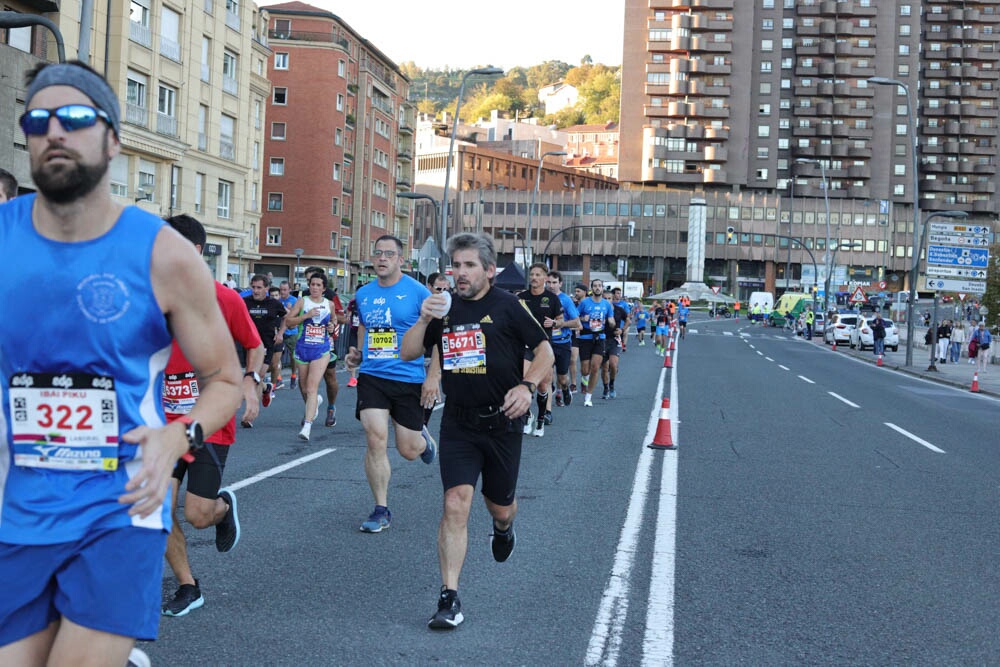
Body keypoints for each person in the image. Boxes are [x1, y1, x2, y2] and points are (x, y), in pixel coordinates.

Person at [0, 61, 242, 665]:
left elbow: (226, 378)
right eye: (38, 120)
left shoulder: (164, 254)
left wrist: (176, 436)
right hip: (14, 510)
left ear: (113, 138)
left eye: (76, 117)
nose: (54, 131)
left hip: (120, 506)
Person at [398, 232, 553, 630]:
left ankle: (504, 529)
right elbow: (408, 351)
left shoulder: (509, 306)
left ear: (488, 270)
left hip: (503, 421)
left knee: (499, 507)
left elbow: (545, 351)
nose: (460, 273)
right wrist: (425, 318)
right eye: (456, 265)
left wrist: (527, 386)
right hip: (459, 423)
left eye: (469, 265)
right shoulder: (443, 308)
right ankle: (449, 597)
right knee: (455, 503)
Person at [160, 214, 264, 618]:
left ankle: (221, 508)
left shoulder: (224, 298)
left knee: (197, 515)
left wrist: (251, 381)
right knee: (159, 510)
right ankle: (188, 585)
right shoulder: (148, 299)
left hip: (209, 423)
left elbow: (253, 345)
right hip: (163, 421)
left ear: (197, 252)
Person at [343, 235, 438, 533]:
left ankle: (423, 440)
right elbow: (364, 329)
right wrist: (357, 354)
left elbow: (437, 340)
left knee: (408, 450)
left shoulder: (419, 292)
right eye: (378, 253)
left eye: (389, 254)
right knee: (375, 437)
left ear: (401, 260)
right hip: (373, 376)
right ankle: (380, 509)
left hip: (409, 378)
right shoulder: (363, 294)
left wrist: (433, 377)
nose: (382, 258)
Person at [284, 273, 337, 440]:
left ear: (323, 288)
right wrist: (306, 316)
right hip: (302, 348)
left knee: (312, 387)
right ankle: (316, 403)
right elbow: (289, 322)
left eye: (318, 285)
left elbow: (334, 322)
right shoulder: (302, 302)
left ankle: (307, 426)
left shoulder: (329, 304)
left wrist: (331, 326)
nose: (314, 287)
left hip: (321, 349)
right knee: (305, 387)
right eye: (312, 284)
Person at [518, 263, 563, 435]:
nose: (534, 278)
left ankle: (541, 419)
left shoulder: (552, 299)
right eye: (532, 274)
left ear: (545, 278)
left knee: (543, 385)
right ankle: (528, 415)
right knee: (525, 380)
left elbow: (560, 319)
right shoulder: (521, 298)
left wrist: (555, 323)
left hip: (544, 347)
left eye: (538, 275)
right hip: (526, 346)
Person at [304, 267, 346, 428]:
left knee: (330, 377)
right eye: (309, 282)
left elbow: (342, 317)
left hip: (326, 343)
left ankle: (331, 407)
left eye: (315, 283)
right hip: (306, 343)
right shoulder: (303, 296)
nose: (312, 287)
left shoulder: (331, 297)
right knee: (305, 380)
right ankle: (310, 409)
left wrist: (331, 323)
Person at [242, 274, 287, 425]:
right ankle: (267, 388)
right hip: (248, 344)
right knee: (252, 377)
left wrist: (280, 333)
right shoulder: (244, 302)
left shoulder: (274, 304)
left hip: (266, 344)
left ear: (266, 289)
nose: (255, 291)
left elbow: (287, 318)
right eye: (253, 287)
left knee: (256, 376)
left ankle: (250, 416)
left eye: (259, 288)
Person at [576, 278, 616, 407]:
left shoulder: (606, 304)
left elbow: (612, 320)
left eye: (600, 285)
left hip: (600, 337)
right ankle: (584, 378)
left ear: (602, 288)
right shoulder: (584, 303)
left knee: (595, 367)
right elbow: (575, 317)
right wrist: (583, 318)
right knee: (585, 369)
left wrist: (610, 322)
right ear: (591, 289)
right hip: (585, 338)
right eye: (595, 286)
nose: (597, 288)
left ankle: (588, 396)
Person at [545, 270, 581, 408]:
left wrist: (559, 323)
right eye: (548, 282)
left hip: (563, 343)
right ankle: (546, 412)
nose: (551, 285)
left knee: (563, 378)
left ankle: (565, 389)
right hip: (546, 343)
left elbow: (577, 323)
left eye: (554, 283)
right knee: (547, 376)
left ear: (560, 284)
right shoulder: (543, 298)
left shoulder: (566, 300)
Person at [278, 281, 299, 389]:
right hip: (280, 331)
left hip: (292, 332)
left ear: (290, 290)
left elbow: (293, 316)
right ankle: (279, 378)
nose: (282, 292)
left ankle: (293, 375)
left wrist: (288, 310)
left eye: (285, 290)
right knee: (278, 355)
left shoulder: (294, 301)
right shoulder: (277, 299)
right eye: (281, 289)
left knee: (293, 356)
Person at [569, 282, 588, 393]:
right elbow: (573, 318)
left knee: (586, 363)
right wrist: (581, 319)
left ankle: (584, 381)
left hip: (588, 334)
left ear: (584, 292)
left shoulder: (590, 303)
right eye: (575, 291)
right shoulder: (573, 304)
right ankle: (573, 384)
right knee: (573, 359)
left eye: (578, 291)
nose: (576, 293)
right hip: (576, 335)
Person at [345, 281, 364, 388]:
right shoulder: (352, 303)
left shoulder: (367, 302)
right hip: (354, 331)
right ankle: (352, 378)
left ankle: (363, 375)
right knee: (352, 353)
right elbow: (348, 314)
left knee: (363, 354)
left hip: (364, 332)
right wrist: (347, 317)